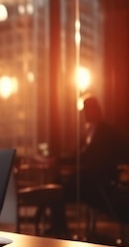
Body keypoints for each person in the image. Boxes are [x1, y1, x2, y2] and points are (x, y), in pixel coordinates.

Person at [47, 95, 129, 236]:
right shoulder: (90, 132)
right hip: (90, 180)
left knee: (57, 187)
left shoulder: (104, 132)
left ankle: (59, 228)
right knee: (57, 185)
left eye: (87, 110)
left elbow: (84, 157)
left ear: (96, 110)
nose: (84, 114)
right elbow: (78, 155)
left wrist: (60, 162)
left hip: (97, 183)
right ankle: (59, 227)